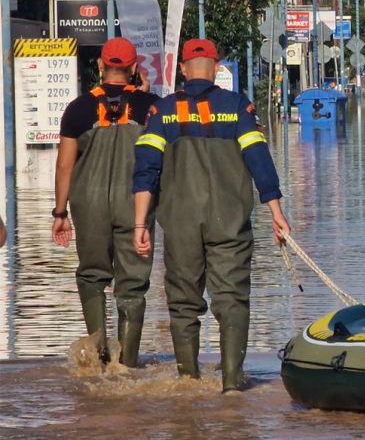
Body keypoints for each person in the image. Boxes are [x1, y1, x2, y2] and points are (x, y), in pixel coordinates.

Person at [132, 38, 291, 393]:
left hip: (180, 222)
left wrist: (140, 224)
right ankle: (233, 385)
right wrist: (276, 214)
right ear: (217, 67)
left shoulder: (161, 112)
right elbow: (260, 162)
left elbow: (146, 171)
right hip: (230, 219)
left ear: (184, 69)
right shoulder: (238, 107)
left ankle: (189, 385)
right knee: (232, 298)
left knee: (184, 303)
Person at [51, 37, 158, 367]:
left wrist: (59, 212)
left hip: (89, 203)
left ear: (100, 65)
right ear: (133, 68)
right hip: (135, 203)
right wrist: (145, 93)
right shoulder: (150, 106)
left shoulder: (78, 109)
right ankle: (125, 365)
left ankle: (98, 360)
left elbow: (65, 164)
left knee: (93, 277)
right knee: (133, 283)